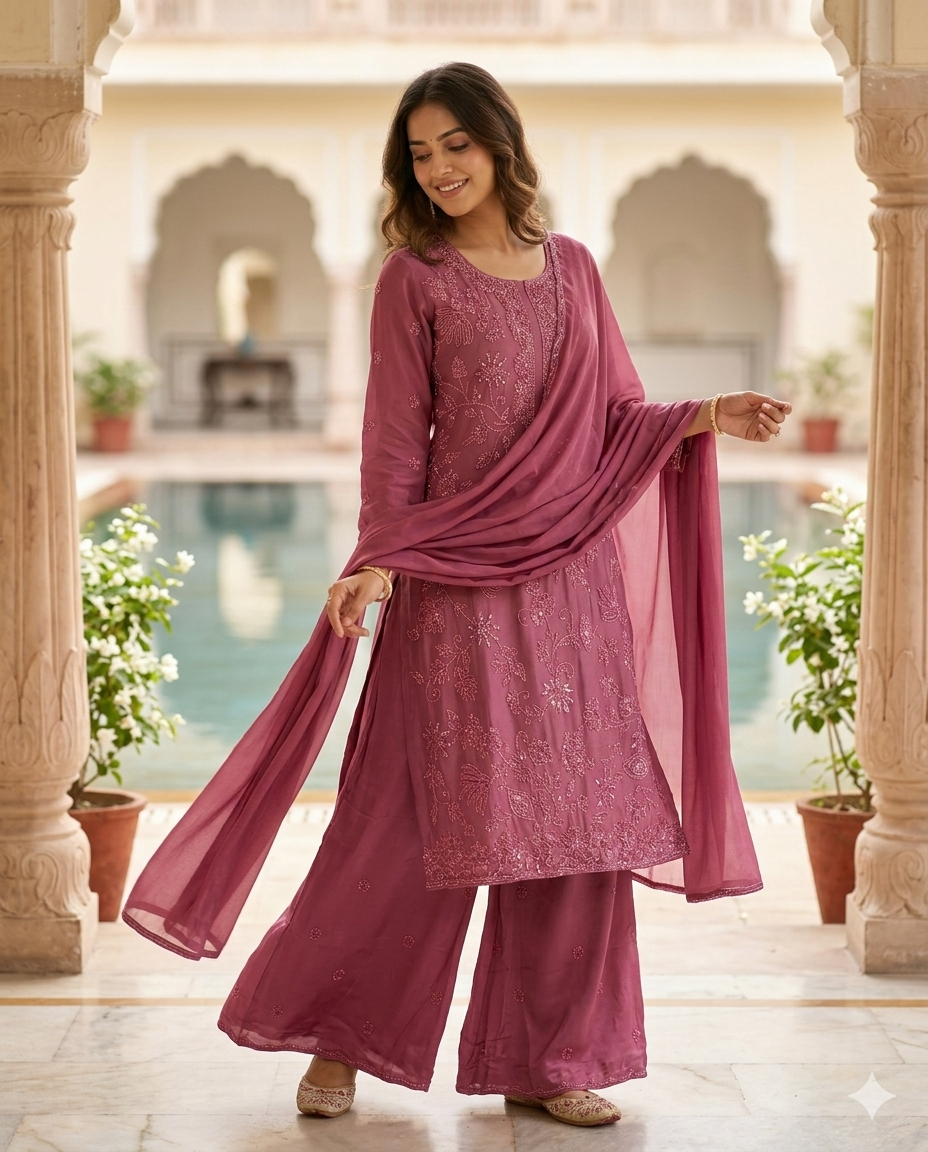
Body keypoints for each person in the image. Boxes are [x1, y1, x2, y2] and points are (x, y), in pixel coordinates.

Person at [123, 62, 790, 1129]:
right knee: (406, 822)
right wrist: (378, 558)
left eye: (454, 146)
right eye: (419, 153)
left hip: (568, 583)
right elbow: (395, 442)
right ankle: (334, 1035)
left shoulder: (573, 266)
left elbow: (613, 419)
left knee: (571, 826)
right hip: (453, 581)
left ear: (499, 143)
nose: (437, 169)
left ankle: (551, 1056)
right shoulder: (413, 278)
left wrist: (703, 413)